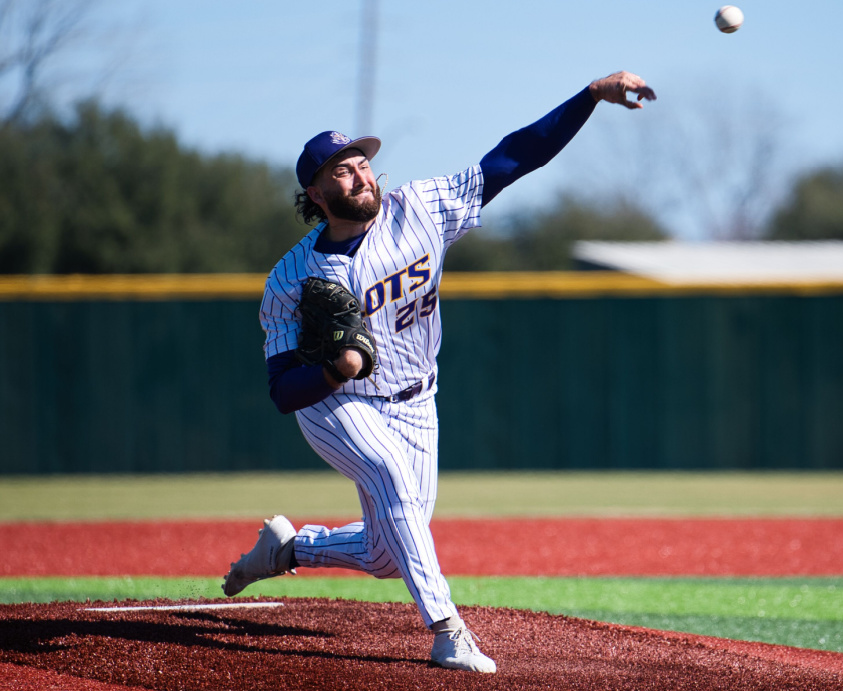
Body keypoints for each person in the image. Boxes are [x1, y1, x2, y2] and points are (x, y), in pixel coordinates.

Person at [222, 71, 656, 673]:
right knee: (390, 476)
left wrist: (589, 98)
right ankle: (448, 629)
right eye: (341, 171)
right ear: (316, 194)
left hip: (416, 399)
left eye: (363, 163)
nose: (361, 175)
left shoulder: (421, 209)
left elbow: (513, 157)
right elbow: (281, 391)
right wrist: (331, 370)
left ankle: (289, 548)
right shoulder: (291, 279)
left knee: (384, 553)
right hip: (337, 403)